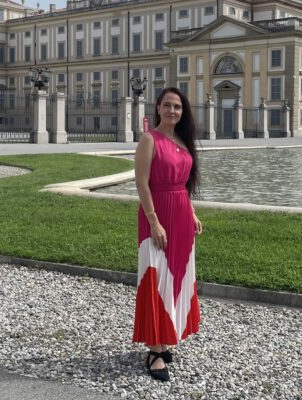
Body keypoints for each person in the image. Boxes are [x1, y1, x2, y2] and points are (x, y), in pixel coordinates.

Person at [132, 87, 203, 382]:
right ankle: (154, 351)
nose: (173, 111)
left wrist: (193, 212)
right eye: (168, 105)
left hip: (181, 215)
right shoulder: (150, 140)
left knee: (176, 277)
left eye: (178, 107)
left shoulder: (183, 142)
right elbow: (142, 184)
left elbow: (184, 186)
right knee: (156, 278)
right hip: (157, 215)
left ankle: (166, 336)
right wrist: (154, 221)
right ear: (158, 108)